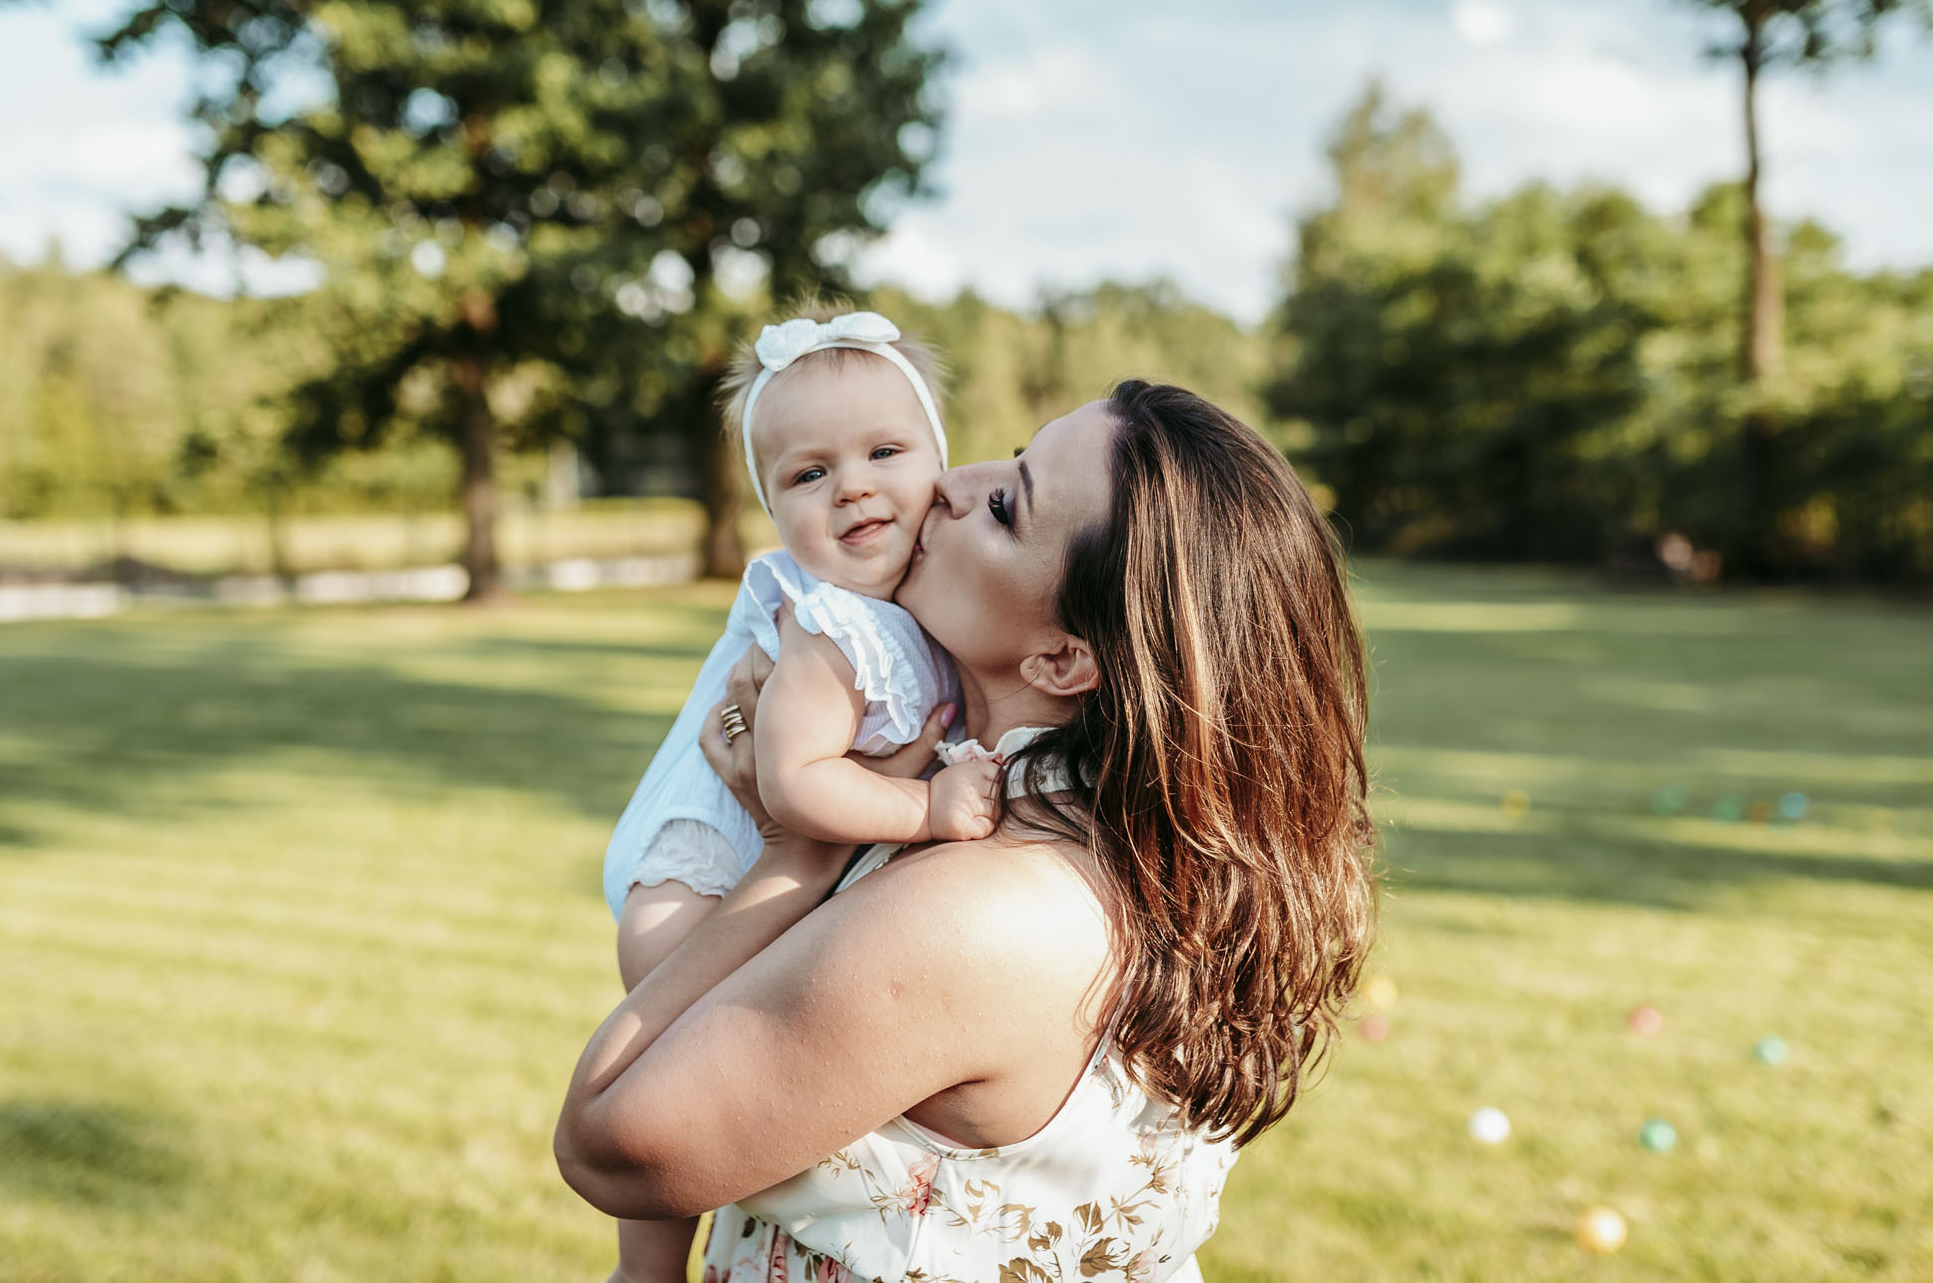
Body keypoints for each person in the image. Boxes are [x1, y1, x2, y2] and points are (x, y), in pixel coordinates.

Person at [559, 381, 1378, 1282]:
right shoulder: (1132, 841)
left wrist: (795, 853)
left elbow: (608, 1147)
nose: (949, 483)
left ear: (1063, 658)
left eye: (1005, 506)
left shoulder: (985, 907)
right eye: (1012, 455)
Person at [601, 308, 1005, 1282]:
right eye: (808, 473)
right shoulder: (833, 629)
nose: (852, 485)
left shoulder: (898, 611)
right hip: (697, 891)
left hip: (741, 882)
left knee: (682, 1097)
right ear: (772, 508)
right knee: (665, 1096)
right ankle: (643, 1267)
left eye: (883, 451)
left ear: (941, 467)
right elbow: (793, 781)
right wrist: (927, 811)